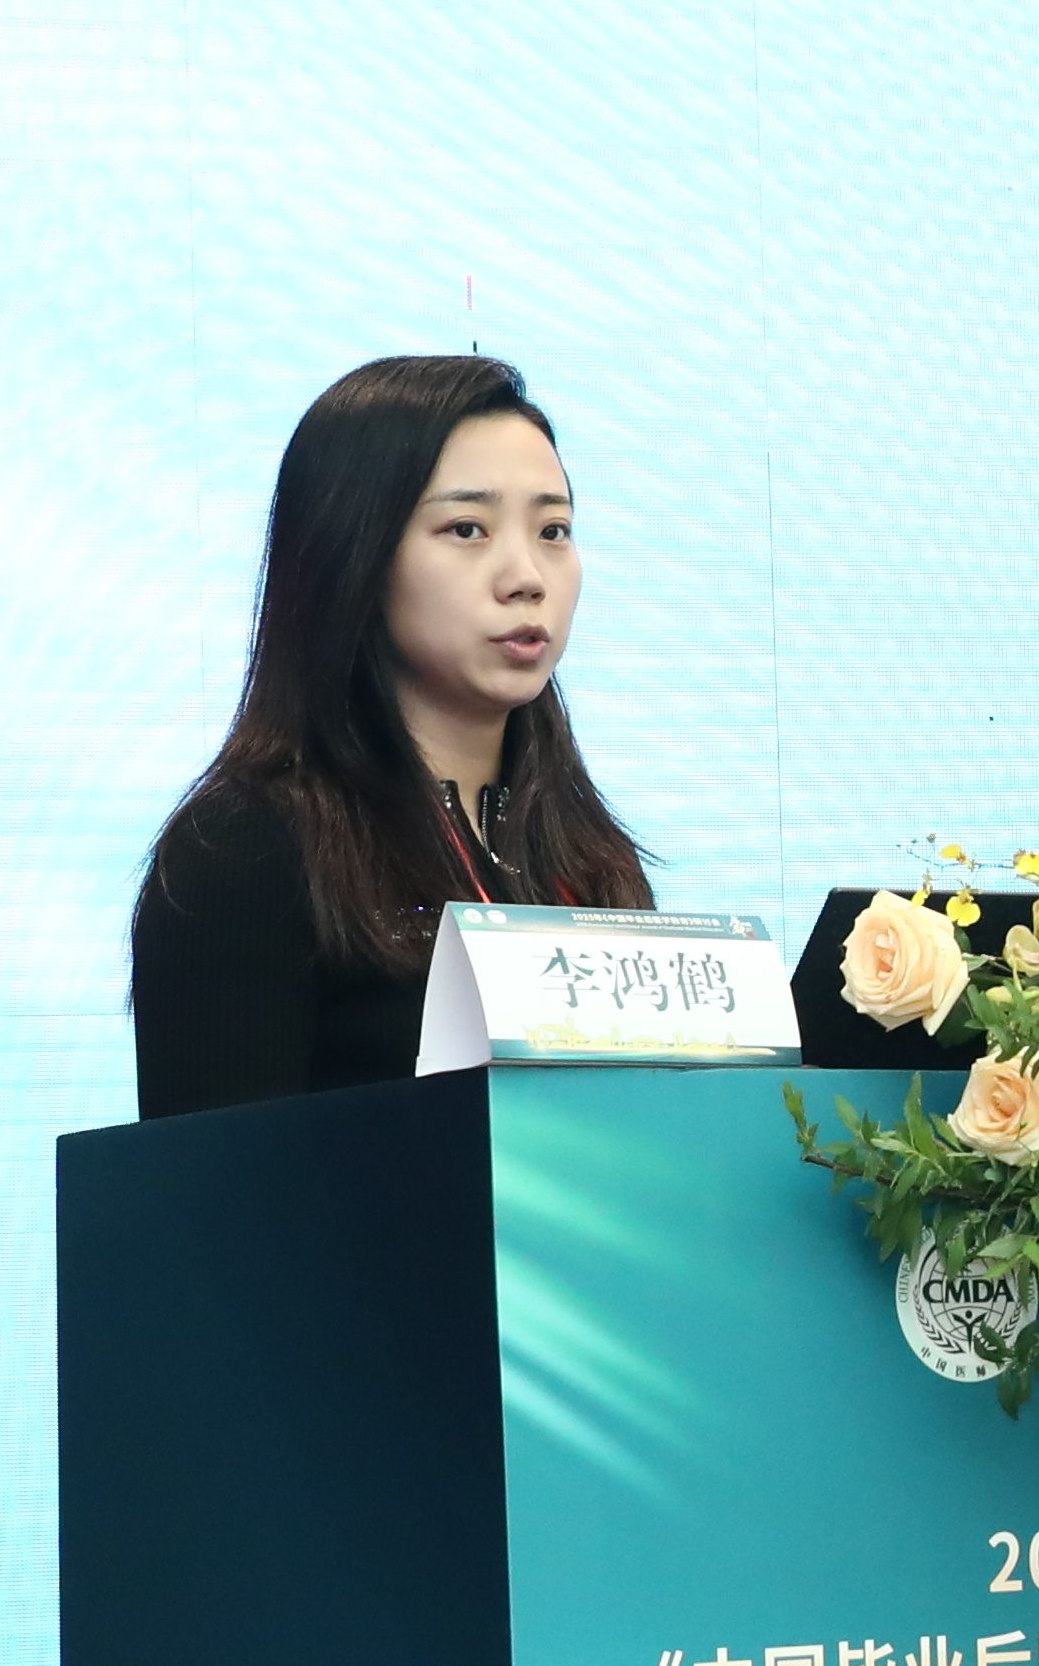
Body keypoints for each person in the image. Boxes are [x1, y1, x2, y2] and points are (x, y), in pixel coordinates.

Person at [128, 353, 653, 1116]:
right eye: (467, 529)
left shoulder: (587, 855)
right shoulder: (244, 849)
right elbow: (212, 1184)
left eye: (553, 530)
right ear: (356, 554)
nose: (526, 577)